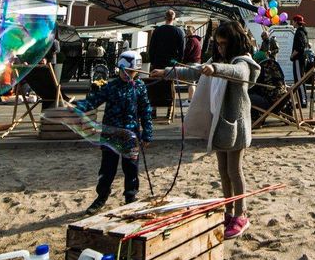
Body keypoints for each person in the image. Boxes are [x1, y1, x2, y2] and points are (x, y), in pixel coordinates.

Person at [154, 21, 259, 239]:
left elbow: (238, 72)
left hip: (236, 126)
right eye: (218, 44)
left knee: (234, 170)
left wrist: (216, 69)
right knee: (223, 170)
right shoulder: (216, 59)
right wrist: (166, 72)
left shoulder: (244, 60)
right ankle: (228, 211)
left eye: (224, 44)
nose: (220, 48)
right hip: (219, 124)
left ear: (234, 42)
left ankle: (241, 214)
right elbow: (194, 73)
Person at [76, 50, 153, 214]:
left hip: (131, 135)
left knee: (131, 168)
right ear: (119, 69)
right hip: (111, 135)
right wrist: (77, 107)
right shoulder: (110, 87)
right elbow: (94, 101)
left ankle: (130, 198)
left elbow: (146, 110)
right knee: (107, 168)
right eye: (125, 71)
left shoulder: (139, 87)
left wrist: (147, 133)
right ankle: (101, 197)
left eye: (133, 72)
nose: (128, 75)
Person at [248, 50, 287, 120]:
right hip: (283, 100)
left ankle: (256, 119)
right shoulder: (276, 65)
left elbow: (254, 87)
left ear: (257, 60)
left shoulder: (260, 68)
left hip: (270, 103)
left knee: (247, 95)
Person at [289, 15, 310, 106]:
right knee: (301, 79)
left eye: (293, 21)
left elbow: (299, 47)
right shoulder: (304, 32)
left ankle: (303, 101)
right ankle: (303, 100)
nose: (292, 23)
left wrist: (292, 56)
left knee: (299, 80)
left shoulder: (299, 32)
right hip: (303, 58)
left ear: (296, 22)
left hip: (298, 59)